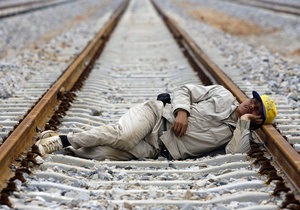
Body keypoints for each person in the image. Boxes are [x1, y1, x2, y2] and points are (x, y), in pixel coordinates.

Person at [35, 84, 277, 161]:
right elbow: (184, 89)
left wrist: (244, 123)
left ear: (256, 120)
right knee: (124, 136)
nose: (252, 105)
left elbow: (235, 154)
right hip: (155, 115)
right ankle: (64, 139)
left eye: (257, 110)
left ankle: (59, 140)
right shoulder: (222, 94)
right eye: (254, 100)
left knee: (102, 154)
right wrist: (182, 111)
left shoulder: (234, 133)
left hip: (157, 148)